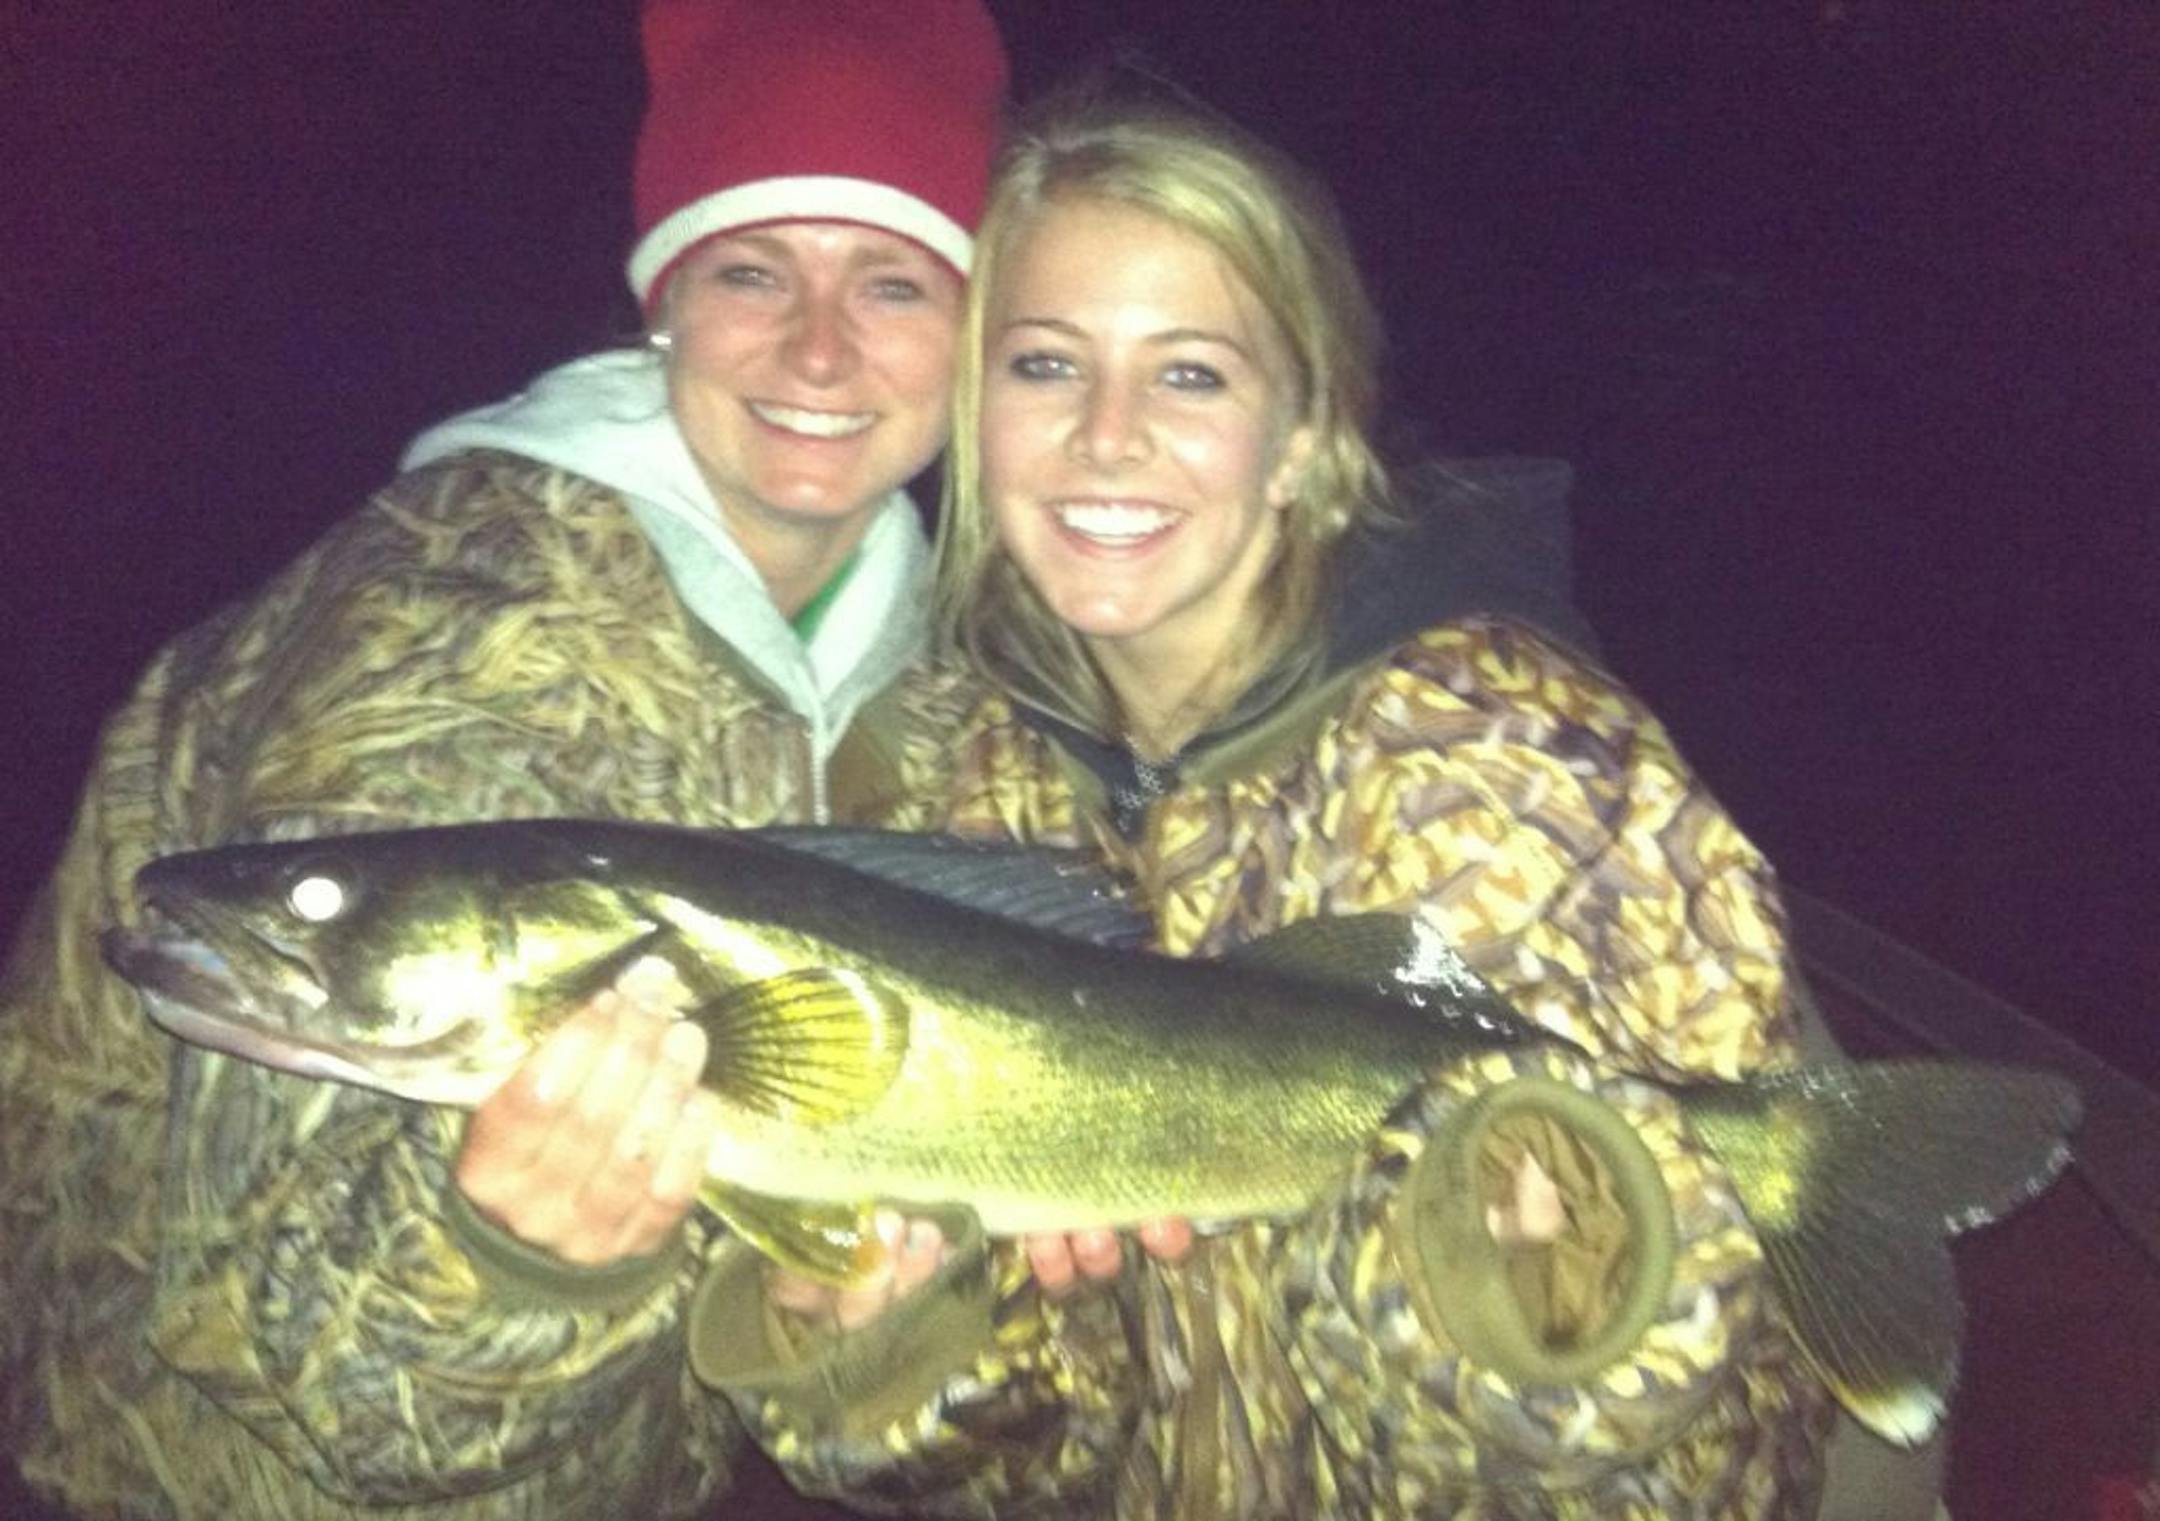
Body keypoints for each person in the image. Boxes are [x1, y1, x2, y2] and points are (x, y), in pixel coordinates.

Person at [692, 84, 1852, 1519]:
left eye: (1191, 376)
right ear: (975, 412)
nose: (1107, 436)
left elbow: (1690, 1457)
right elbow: (1045, 1453)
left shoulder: (1508, 764)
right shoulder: (972, 785)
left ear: (1300, 441)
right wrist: (886, 1341)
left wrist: (1542, 1312)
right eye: (1047, 365)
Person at [0, 2, 1007, 1516]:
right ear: (662, 306)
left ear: (975, 339)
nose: (818, 345)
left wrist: (852, 1334)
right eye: (750, 271)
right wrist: (507, 1259)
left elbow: (835, 1396)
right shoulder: (424, 638)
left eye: (894, 283)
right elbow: (304, 1370)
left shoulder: (943, 702)